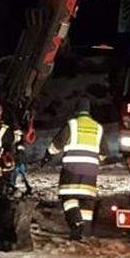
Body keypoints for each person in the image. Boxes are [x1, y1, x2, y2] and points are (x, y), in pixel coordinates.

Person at [44, 98, 108, 241]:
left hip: (72, 168)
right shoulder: (98, 127)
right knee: (86, 200)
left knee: (68, 196)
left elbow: (57, 144)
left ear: (77, 111)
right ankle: (83, 233)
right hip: (91, 171)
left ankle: (76, 222)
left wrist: (48, 155)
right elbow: (104, 153)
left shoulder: (72, 125)